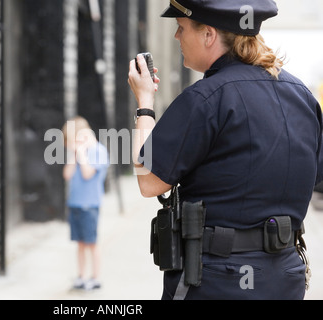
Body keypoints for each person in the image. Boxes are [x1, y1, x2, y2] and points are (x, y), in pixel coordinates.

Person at [129, 0, 322, 300]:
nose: (176, 37)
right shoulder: (302, 96)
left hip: (217, 281)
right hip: (285, 279)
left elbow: (148, 180)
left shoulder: (204, 98)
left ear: (208, 35)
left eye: (181, 28)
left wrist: (144, 104)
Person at [62, 116, 109, 291]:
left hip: (90, 205)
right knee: (80, 243)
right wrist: (74, 155)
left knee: (92, 243)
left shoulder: (98, 151)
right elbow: (67, 175)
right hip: (75, 203)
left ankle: (95, 278)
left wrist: (81, 153)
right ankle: (81, 276)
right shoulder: (75, 154)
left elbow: (88, 173)